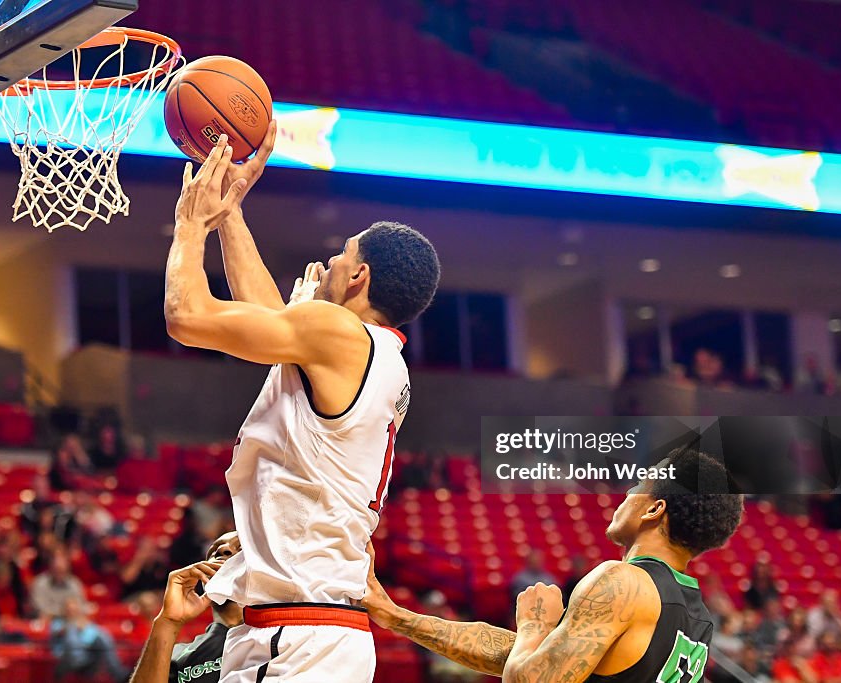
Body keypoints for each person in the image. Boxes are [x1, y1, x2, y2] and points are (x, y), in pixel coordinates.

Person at [163, 125, 440, 683]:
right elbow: (269, 323)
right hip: (307, 632)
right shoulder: (369, 351)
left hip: (300, 636)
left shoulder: (337, 333)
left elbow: (186, 318)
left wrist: (192, 225)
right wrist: (232, 213)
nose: (332, 261)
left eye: (343, 254)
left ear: (359, 276)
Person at [363, 447, 744, 681]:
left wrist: (534, 624)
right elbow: (534, 658)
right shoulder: (699, 618)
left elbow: (532, 679)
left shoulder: (624, 581)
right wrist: (397, 617)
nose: (627, 492)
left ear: (655, 509)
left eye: (639, 486)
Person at [129, 532, 243, 683]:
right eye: (213, 552)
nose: (222, 550)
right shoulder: (178, 656)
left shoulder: (283, 640)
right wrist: (168, 621)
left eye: (241, 548)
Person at [51, 597, 129, 682]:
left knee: (102, 636)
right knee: (71, 629)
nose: (72, 612)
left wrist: (84, 627)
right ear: (65, 611)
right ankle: (78, 659)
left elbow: (92, 639)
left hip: (87, 656)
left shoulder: (84, 623)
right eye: (69, 610)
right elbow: (57, 634)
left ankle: (118, 673)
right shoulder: (58, 622)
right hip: (67, 657)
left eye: (74, 610)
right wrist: (71, 625)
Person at [31, 549, 86, 619]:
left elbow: (80, 606)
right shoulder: (40, 583)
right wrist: (65, 612)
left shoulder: (74, 583)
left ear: (68, 569)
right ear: (50, 568)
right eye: (56, 570)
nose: (59, 574)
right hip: (47, 622)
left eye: (62, 570)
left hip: (70, 621)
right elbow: (39, 608)